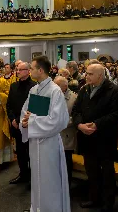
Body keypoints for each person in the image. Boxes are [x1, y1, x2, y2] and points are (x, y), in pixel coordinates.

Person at [20, 55, 70, 212]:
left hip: (49, 143)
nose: (30, 71)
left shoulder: (55, 91)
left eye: (32, 68)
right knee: (37, 178)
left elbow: (58, 120)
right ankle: (37, 207)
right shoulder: (34, 89)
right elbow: (26, 111)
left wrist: (32, 121)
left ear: (40, 70)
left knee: (49, 179)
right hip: (36, 142)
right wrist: (24, 120)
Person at [72, 64, 118, 212]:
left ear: (100, 76)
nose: (85, 76)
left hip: (104, 138)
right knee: (91, 171)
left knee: (107, 173)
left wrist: (96, 125)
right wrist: (80, 125)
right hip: (87, 138)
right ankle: (94, 198)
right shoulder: (84, 90)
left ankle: (108, 203)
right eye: (86, 73)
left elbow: (116, 114)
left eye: (89, 74)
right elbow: (76, 110)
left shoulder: (115, 91)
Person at [6, 62, 36, 185]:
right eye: (17, 70)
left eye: (21, 70)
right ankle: (23, 174)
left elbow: (33, 107)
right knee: (20, 152)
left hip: (28, 124)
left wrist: (19, 120)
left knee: (31, 152)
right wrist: (12, 119)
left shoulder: (34, 86)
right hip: (15, 124)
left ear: (28, 71)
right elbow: (9, 105)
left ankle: (32, 178)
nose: (17, 72)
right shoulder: (13, 86)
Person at [54, 76, 78, 185]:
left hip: (66, 135)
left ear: (65, 86)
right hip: (53, 134)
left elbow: (77, 117)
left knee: (66, 161)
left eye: (57, 85)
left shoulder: (74, 97)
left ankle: (66, 183)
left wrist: (62, 122)